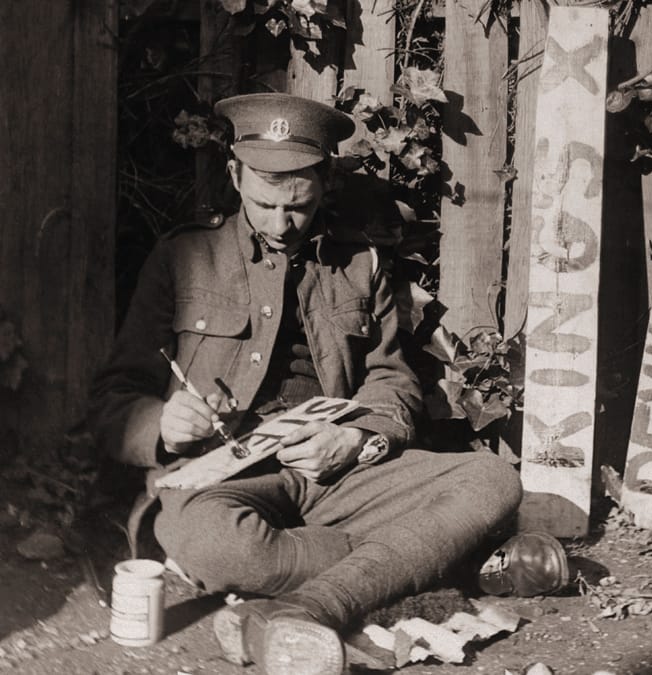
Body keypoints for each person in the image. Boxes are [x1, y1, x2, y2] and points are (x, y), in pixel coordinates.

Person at [87, 93, 557, 675]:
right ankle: (419, 562)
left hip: (338, 469)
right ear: (235, 176)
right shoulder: (183, 256)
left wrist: (357, 441)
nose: (281, 225)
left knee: (490, 480)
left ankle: (308, 605)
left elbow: (391, 384)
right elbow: (114, 395)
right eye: (264, 205)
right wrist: (163, 423)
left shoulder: (361, 264)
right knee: (212, 539)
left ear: (325, 183)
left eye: (299, 208)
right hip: (225, 479)